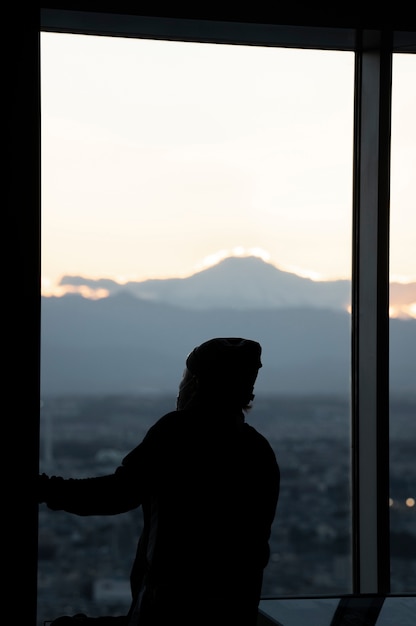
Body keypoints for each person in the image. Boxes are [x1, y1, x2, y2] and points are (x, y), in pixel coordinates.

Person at [38, 337, 280, 626]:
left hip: (168, 608)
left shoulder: (177, 433)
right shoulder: (258, 450)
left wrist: (47, 488)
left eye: (187, 378)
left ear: (197, 384)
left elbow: (117, 493)